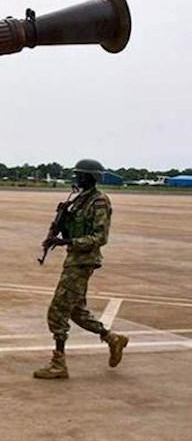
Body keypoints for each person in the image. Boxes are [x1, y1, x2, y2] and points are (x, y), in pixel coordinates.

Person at [34, 158, 129, 380]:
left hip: (83, 262)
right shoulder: (78, 200)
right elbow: (70, 227)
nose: (76, 178)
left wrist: (67, 242)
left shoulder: (99, 202)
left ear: (90, 177)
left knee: (57, 311)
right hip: (74, 260)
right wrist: (61, 222)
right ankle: (112, 338)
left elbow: (100, 237)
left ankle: (59, 363)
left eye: (80, 175)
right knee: (76, 311)